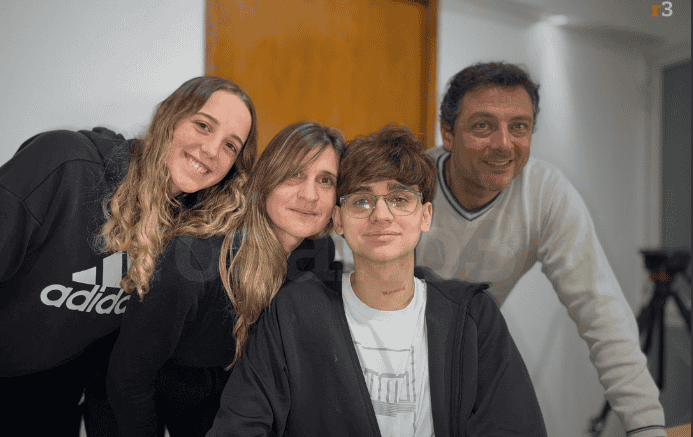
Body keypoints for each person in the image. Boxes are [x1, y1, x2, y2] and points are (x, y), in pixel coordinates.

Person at [0, 76, 258, 437]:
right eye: (202, 125)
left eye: (230, 145)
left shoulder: (194, 229)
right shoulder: (62, 164)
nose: (211, 150)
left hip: (48, 391)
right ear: (169, 117)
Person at [207, 125, 547, 437]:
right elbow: (238, 428)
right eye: (362, 201)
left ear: (425, 215)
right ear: (338, 220)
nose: (381, 215)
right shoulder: (293, 311)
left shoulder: (472, 318)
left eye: (399, 199)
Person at [408, 61, 664, 436]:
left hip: (469, 356)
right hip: (390, 353)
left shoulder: (545, 194)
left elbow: (603, 313)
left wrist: (647, 427)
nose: (503, 144)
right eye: (483, 126)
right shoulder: (408, 185)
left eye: (519, 127)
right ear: (448, 133)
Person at [107, 121, 345, 437]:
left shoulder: (317, 253)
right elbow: (128, 380)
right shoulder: (194, 260)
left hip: (219, 392)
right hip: (134, 398)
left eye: (326, 180)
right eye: (294, 175)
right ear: (266, 179)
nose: (310, 195)